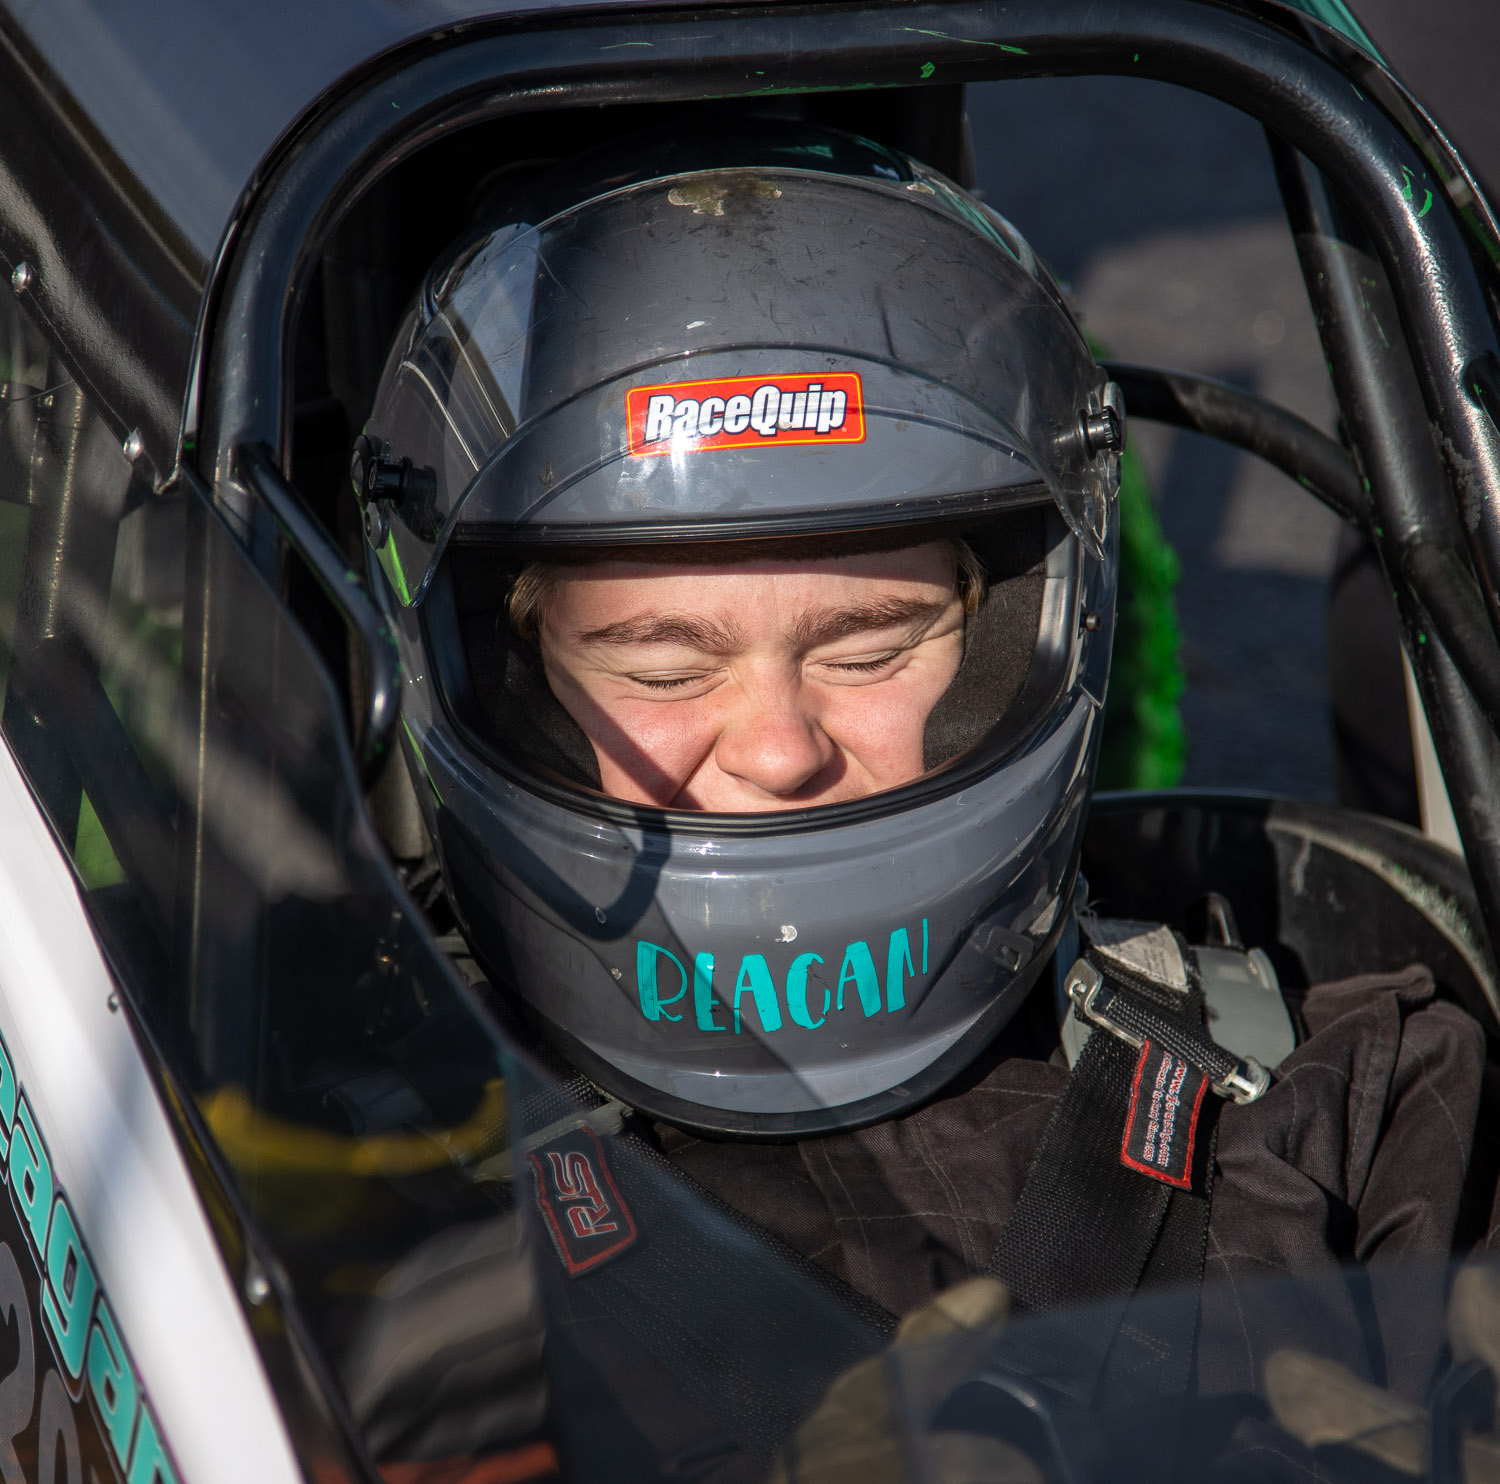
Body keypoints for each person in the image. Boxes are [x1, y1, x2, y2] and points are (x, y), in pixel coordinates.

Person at [354, 121, 1496, 1479]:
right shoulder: (378, 1203)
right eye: (662, 666)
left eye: (870, 649)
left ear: (1017, 635)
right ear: (502, 675)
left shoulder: (1343, 1095)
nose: (779, 749)